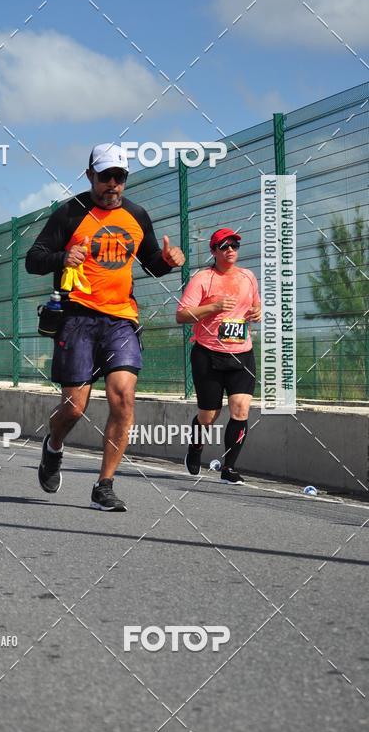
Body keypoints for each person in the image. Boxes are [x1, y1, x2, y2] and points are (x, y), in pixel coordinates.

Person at [26, 143, 185, 511]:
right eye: (105, 176)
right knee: (74, 407)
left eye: (120, 177)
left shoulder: (137, 215)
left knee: (123, 397)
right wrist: (63, 256)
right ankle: (53, 445)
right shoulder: (70, 213)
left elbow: (151, 263)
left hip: (121, 318)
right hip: (77, 317)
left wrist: (167, 260)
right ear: (90, 176)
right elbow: (33, 260)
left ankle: (104, 485)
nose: (113, 184)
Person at [176, 228, 261, 485]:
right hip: (208, 354)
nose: (230, 250)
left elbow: (255, 304)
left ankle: (229, 468)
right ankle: (195, 447)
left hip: (242, 354)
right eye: (224, 246)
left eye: (234, 245)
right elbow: (181, 315)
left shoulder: (248, 277)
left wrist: (257, 312)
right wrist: (214, 307)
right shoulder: (203, 279)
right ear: (214, 251)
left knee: (241, 409)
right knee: (208, 416)